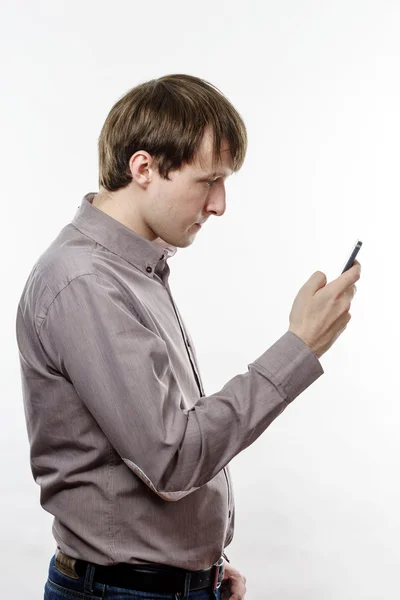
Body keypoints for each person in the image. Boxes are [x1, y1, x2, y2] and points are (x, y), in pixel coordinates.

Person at [15, 73, 361, 600]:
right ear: (144, 168)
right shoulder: (85, 282)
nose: (219, 204)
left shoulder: (135, 268)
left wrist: (198, 567)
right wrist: (299, 347)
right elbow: (172, 457)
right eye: (208, 180)